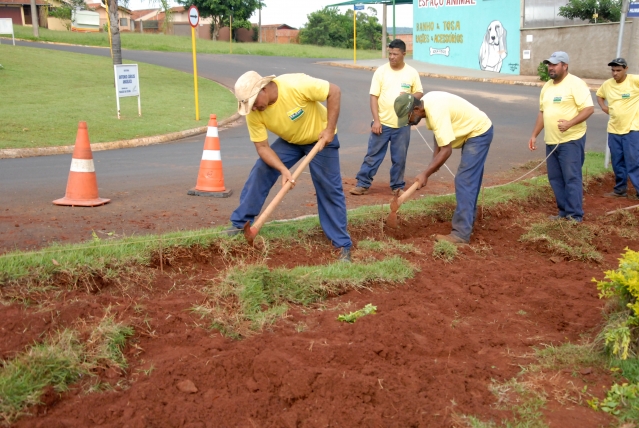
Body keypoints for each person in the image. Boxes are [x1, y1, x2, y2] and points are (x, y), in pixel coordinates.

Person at [225, 71, 352, 261]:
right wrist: (284, 170)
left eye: (253, 103)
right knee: (262, 170)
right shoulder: (255, 112)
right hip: (290, 141)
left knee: (328, 188)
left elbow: (334, 91)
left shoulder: (296, 85)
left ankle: (342, 244)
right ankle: (240, 223)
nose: (253, 109)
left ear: (264, 89)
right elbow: (262, 147)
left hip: (321, 139)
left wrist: (329, 129)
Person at [393, 91, 493, 245]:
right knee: (468, 180)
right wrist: (434, 162)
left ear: (416, 110)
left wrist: (426, 173)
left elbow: (446, 150)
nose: (408, 122)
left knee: (465, 180)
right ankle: (468, 222)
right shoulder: (427, 104)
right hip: (472, 130)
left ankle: (460, 234)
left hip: (478, 132)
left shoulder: (435, 110)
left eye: (408, 117)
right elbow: (439, 135)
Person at [349, 39, 423, 197]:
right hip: (382, 123)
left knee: (399, 158)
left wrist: (409, 97)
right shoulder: (381, 72)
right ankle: (362, 184)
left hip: (402, 124)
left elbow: (419, 92)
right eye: (390, 53)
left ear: (404, 54)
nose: (392, 57)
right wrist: (376, 120)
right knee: (373, 155)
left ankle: (397, 186)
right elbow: (373, 97)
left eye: (395, 54)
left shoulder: (411, 73)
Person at [528, 51, 594, 222]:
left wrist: (570, 123)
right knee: (555, 178)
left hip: (571, 140)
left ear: (565, 66)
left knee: (571, 177)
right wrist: (534, 135)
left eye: (554, 64)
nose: (551, 67)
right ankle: (563, 212)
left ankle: (575, 215)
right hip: (551, 141)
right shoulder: (547, 86)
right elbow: (543, 112)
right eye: (549, 64)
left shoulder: (576, 84)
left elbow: (588, 109)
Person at [596, 57, 639, 200]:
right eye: (613, 70)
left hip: (632, 129)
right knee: (617, 161)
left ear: (626, 69)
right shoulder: (607, 84)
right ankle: (620, 189)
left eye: (618, 70)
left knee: (633, 161)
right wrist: (603, 107)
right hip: (614, 129)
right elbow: (599, 95)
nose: (615, 73)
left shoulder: (634, 80)